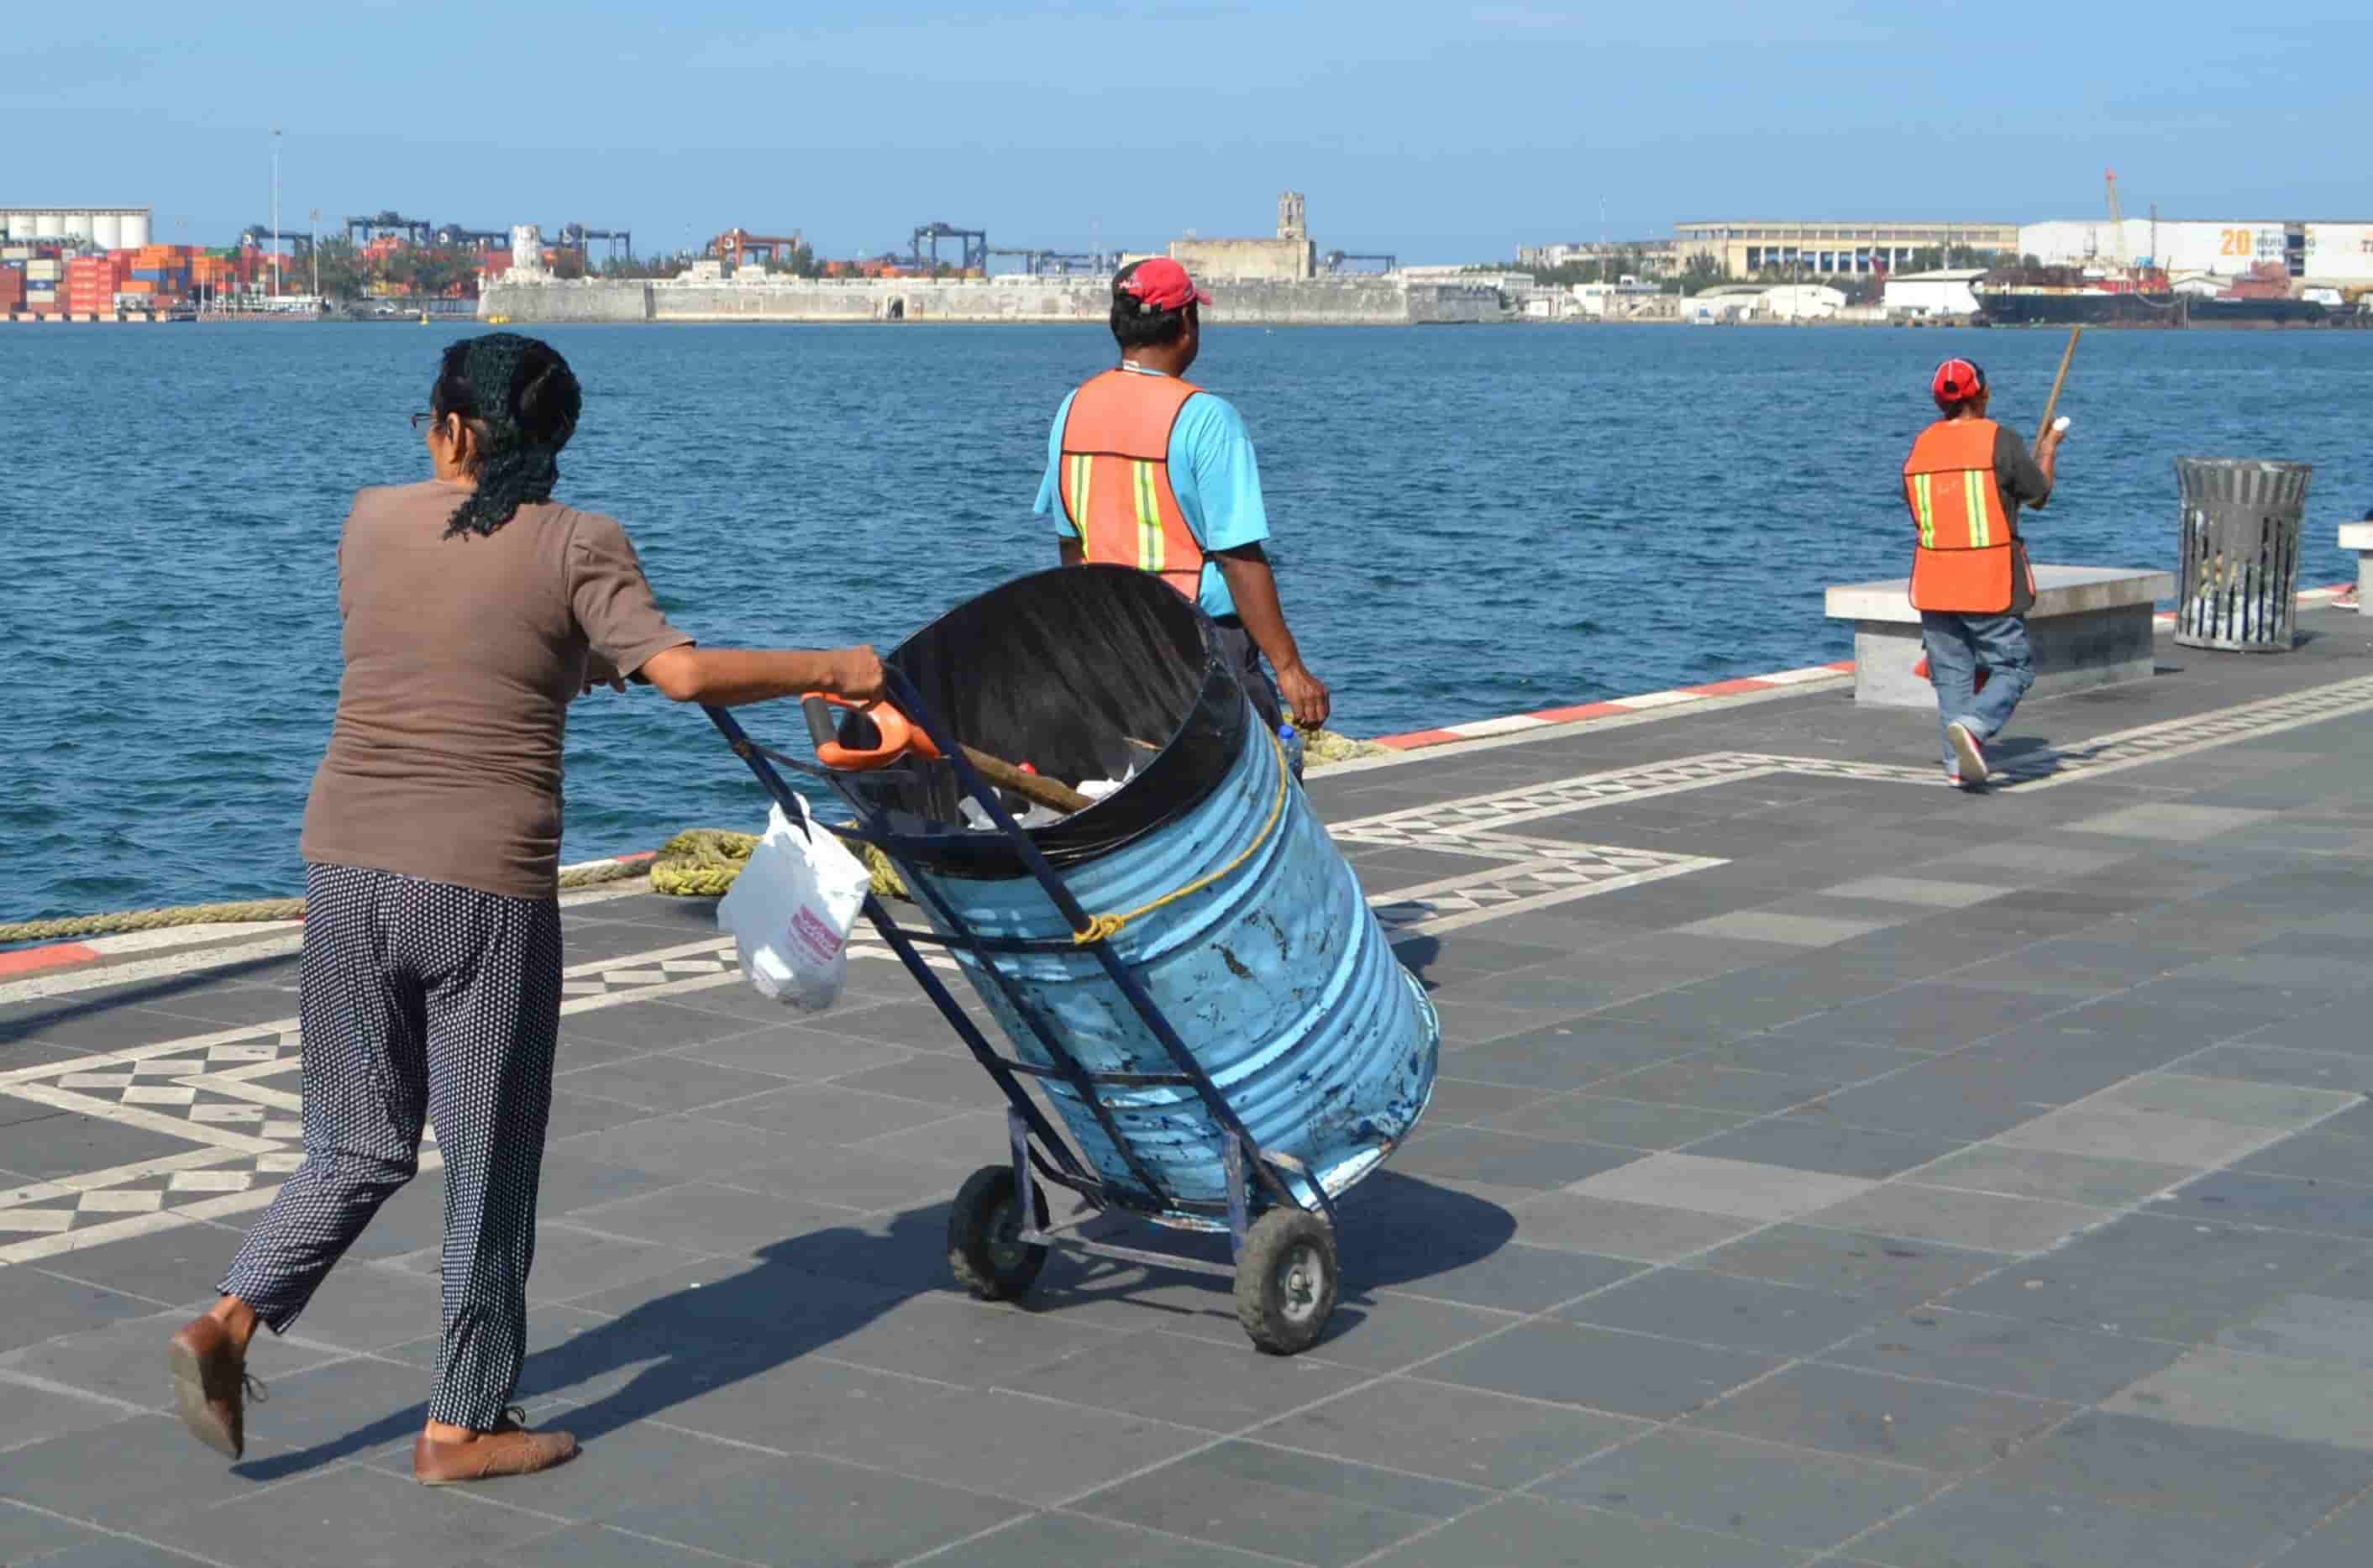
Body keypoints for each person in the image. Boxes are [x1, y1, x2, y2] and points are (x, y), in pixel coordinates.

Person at [167, 333, 884, 1484]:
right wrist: (833, 668)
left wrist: (571, 655)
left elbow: (459, 636)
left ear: (449, 429)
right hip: (480, 887)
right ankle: (460, 1421)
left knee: (355, 1140)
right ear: (552, 441)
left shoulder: (368, 521)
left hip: (346, 863)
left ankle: (228, 1319)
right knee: (490, 1159)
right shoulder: (578, 543)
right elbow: (680, 674)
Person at [1034, 257, 1330, 763]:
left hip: (1112, 639)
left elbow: (1071, 545)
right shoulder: (1206, 418)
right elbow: (1238, 558)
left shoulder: (1073, 408)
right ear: (1186, 325)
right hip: (1199, 645)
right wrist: (1289, 668)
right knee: (1258, 778)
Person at [1901, 357, 2066, 787]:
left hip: (1934, 580)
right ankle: (1974, 727)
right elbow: (2040, 495)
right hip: (1987, 579)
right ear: (1984, 394)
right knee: (2013, 669)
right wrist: (2049, 447)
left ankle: (1959, 768)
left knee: (1952, 675)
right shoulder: (2002, 442)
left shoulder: (1921, 446)